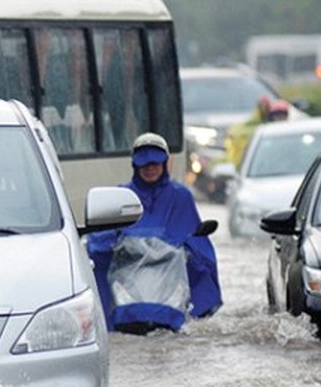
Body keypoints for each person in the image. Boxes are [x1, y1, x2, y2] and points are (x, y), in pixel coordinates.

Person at [87, 133, 222, 334]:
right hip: (126, 283)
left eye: (155, 163)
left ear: (165, 163)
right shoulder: (123, 195)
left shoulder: (181, 196)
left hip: (170, 283)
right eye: (144, 164)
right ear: (135, 165)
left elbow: (197, 242)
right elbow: (101, 239)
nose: (150, 168)